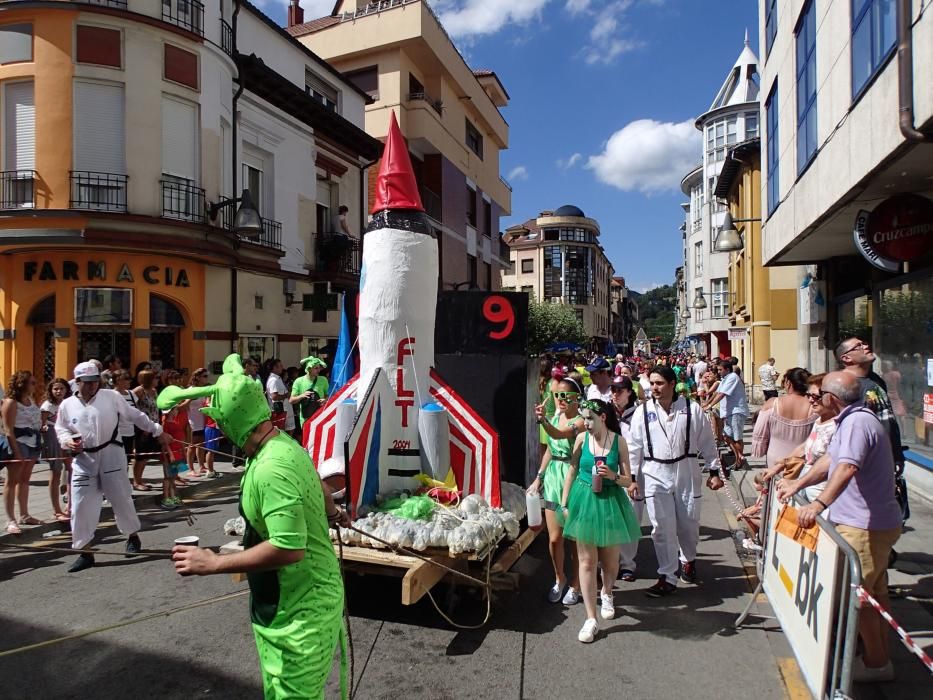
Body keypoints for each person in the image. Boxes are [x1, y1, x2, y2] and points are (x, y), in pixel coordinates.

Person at [164, 353, 349, 699]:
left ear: (233, 421)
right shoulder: (284, 444)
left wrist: (213, 563)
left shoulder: (270, 468)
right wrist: (335, 513)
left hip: (299, 613)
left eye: (220, 423)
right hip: (293, 604)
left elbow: (288, 547)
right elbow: (318, 485)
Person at [785, 372, 902, 683]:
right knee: (872, 595)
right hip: (862, 523)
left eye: (819, 393)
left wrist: (818, 504)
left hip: (864, 526)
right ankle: (876, 656)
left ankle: (877, 664)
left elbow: (847, 466)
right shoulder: (849, 421)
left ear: (832, 399)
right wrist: (799, 482)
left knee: (858, 598)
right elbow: (830, 461)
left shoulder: (856, 423)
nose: (815, 398)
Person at [57, 362, 172, 572]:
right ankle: (85, 551)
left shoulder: (111, 397)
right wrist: (67, 442)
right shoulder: (67, 405)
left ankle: (132, 537)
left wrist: (157, 430)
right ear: (78, 382)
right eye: (88, 382)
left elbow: (135, 416)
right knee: (80, 506)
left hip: (112, 455)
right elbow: (61, 429)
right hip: (84, 461)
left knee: (121, 499)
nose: (93, 386)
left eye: (96, 382)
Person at [628, 366, 725, 596]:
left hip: (686, 470)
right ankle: (667, 575)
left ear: (672, 384)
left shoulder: (692, 409)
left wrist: (713, 471)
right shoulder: (642, 412)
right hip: (654, 472)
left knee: (688, 524)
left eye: (659, 383)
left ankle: (688, 559)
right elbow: (634, 447)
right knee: (661, 527)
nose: (654, 388)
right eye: (652, 383)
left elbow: (707, 442)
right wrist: (633, 478)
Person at [558, 398, 640, 643]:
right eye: (584, 418)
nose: (586, 423)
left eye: (590, 418)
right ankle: (590, 618)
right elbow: (572, 470)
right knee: (586, 562)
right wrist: (564, 502)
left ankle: (607, 591)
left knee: (610, 562)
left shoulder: (619, 442)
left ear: (602, 417)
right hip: (583, 499)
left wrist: (614, 476)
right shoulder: (582, 439)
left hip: (610, 502)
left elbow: (629, 481)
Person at [835, 337, 908, 522]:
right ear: (846, 358)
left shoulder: (875, 380)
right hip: (864, 465)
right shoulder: (846, 385)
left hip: (886, 461)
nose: (865, 346)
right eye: (858, 346)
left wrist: (897, 454)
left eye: (864, 343)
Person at [531, 377, 585, 605]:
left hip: (573, 478)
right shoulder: (554, 417)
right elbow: (550, 450)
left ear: (577, 398)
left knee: (574, 539)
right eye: (557, 395)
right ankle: (559, 577)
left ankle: (576, 583)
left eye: (566, 396)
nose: (561, 400)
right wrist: (539, 478)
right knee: (554, 539)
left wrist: (542, 420)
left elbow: (559, 435)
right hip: (554, 478)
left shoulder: (581, 421)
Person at [767, 374, 838, 514]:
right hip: (807, 489)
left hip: (823, 499)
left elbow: (830, 462)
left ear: (831, 397)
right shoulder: (820, 420)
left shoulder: (838, 426)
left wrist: (797, 484)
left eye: (816, 396)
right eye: (808, 395)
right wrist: (778, 467)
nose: (811, 400)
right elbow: (804, 447)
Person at [2, 371, 42, 533]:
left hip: (32, 443)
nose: (35, 385)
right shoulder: (11, 402)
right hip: (19, 443)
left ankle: (24, 514)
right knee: (12, 481)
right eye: (32, 382)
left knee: (25, 480)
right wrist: (16, 452)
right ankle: (10, 519)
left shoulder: (30, 400)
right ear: (22, 384)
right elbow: (8, 429)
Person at [751, 367, 815, 469]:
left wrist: (761, 449)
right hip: (803, 462)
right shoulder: (814, 407)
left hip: (775, 460)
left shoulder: (772, 403)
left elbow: (759, 433)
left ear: (788, 383)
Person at [704, 360, 749, 469]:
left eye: (720, 370)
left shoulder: (733, 377)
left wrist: (710, 406)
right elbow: (717, 393)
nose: (718, 372)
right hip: (729, 412)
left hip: (736, 411)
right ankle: (737, 455)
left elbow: (722, 394)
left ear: (727, 369)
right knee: (726, 435)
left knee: (737, 437)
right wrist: (707, 403)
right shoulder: (725, 379)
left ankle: (739, 461)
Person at [41, 378, 73, 522]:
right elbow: (41, 425)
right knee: (55, 472)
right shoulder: (48, 406)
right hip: (53, 440)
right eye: (55, 389)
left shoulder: (70, 404)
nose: (58, 391)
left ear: (66, 389)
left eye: (61, 388)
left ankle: (71, 506)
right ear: (51, 391)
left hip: (68, 438)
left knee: (72, 470)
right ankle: (56, 510)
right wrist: (45, 428)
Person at [132, 369, 161, 488]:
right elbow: (131, 407)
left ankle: (140, 479)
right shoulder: (139, 391)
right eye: (155, 378)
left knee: (147, 455)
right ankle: (136, 481)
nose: (157, 380)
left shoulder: (154, 391)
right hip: (142, 428)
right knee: (140, 455)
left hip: (153, 426)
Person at [291, 356, 329, 429]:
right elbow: (291, 400)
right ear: (308, 369)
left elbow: (329, 395)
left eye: (319, 368)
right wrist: (302, 396)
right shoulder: (299, 381)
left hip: (320, 417)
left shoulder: (323, 380)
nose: (319, 370)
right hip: (306, 419)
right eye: (316, 368)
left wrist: (325, 400)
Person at [186, 369, 210, 476]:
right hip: (192, 421)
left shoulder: (203, 390)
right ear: (198, 377)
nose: (206, 378)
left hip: (201, 420)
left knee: (201, 444)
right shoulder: (191, 390)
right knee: (192, 445)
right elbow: (185, 405)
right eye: (204, 376)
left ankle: (201, 466)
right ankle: (190, 468)